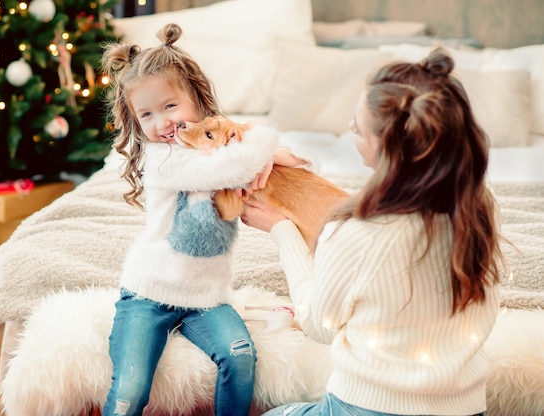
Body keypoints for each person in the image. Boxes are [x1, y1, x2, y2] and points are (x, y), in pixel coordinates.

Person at [241, 47, 503, 416]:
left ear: (387, 148)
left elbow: (320, 326)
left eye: (358, 127)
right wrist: (300, 166)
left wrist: (284, 230)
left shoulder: (356, 232)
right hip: (465, 408)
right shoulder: (480, 208)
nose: (350, 129)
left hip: (365, 408)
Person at [100, 23, 302, 416]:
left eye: (170, 106)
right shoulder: (161, 158)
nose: (162, 123)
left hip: (206, 299)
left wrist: (270, 154)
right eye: (147, 114)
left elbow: (299, 165)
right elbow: (229, 169)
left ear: (195, 96)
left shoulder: (221, 144)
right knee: (130, 387)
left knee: (240, 356)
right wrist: (267, 145)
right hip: (148, 294)